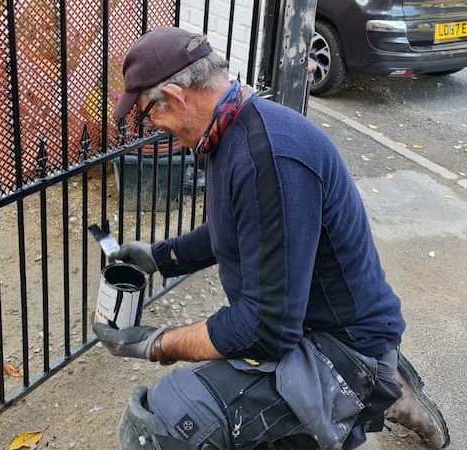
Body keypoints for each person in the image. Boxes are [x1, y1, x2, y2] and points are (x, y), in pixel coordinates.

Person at [93, 27, 450, 450]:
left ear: (175, 95)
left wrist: (158, 344)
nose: (154, 125)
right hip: (299, 323)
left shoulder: (271, 160)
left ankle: (373, 388)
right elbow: (239, 230)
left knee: (165, 425)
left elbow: (264, 330)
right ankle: (380, 391)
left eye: (150, 112)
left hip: (342, 348)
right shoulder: (231, 131)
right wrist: (161, 256)